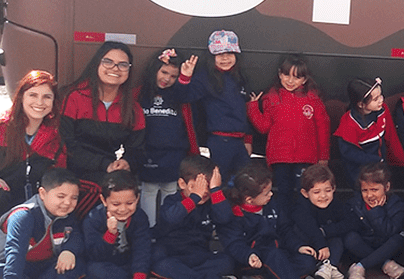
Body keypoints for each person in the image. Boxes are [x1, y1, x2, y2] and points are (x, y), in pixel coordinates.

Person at [0, 69, 63, 236]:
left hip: (18, 201)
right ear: (21, 97)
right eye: (33, 95)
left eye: (47, 97)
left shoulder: (54, 137)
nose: (40, 102)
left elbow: (59, 174)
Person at [59, 42, 146, 217]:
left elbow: (138, 150)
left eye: (122, 65)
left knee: (125, 195)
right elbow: (66, 144)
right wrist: (104, 164)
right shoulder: (75, 96)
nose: (115, 68)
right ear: (97, 63)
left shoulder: (132, 108)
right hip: (72, 167)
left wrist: (127, 162)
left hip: (108, 171)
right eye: (108, 62)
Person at [218, 162, 316, 279]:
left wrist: (298, 246)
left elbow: (285, 230)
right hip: (251, 260)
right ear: (249, 199)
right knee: (274, 256)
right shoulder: (235, 215)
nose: (271, 194)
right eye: (266, 193)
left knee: (307, 262)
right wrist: (249, 255)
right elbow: (234, 244)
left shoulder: (272, 205)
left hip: (277, 253)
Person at [247, 53, 331, 205]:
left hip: (306, 158)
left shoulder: (313, 99)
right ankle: (283, 220)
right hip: (280, 158)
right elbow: (263, 127)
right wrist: (253, 108)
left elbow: (323, 129)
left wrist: (323, 156)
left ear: (304, 79)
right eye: (286, 75)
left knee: (303, 194)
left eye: (297, 77)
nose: (290, 81)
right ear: (280, 74)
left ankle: (302, 220)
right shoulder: (272, 98)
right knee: (283, 194)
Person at [150, 154, 238, 279]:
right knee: (159, 264)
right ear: (182, 184)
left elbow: (225, 218)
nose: (203, 192)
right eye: (195, 187)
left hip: (198, 255)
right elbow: (171, 218)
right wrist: (194, 197)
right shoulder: (172, 200)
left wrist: (216, 191)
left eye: (208, 187)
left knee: (228, 262)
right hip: (172, 254)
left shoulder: (211, 203)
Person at [175, 30, 252, 181]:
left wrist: (248, 139)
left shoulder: (240, 77)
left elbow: (245, 111)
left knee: (244, 182)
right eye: (219, 54)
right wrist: (185, 77)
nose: (225, 58)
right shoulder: (205, 77)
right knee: (218, 182)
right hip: (219, 140)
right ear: (211, 56)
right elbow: (184, 97)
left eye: (229, 53)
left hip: (240, 141)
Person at [135, 49, 198, 227]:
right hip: (148, 152)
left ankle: (167, 229)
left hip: (174, 154)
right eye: (163, 72)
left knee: (171, 190)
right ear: (154, 69)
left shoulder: (178, 95)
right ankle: (149, 229)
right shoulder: (141, 94)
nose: (167, 79)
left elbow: (185, 93)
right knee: (148, 190)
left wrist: (185, 77)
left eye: (173, 76)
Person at [74, 170, 155, 279]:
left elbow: (142, 249)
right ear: (104, 200)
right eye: (116, 204)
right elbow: (94, 255)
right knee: (90, 268)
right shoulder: (93, 219)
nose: (123, 209)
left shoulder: (139, 217)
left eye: (129, 203)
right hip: (105, 263)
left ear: (137, 199)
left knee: (156, 255)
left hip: (129, 263)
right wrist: (110, 234)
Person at [287, 162, 357, 279]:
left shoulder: (336, 204)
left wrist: (326, 231)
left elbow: (351, 222)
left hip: (328, 247)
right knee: (306, 262)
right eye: (316, 192)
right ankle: (325, 267)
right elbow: (310, 228)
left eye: (328, 190)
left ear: (334, 189)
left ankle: (329, 266)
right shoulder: (300, 207)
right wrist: (321, 245)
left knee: (337, 239)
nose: (323, 196)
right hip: (307, 245)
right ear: (305, 193)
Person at [343, 162, 404, 279]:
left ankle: (359, 266)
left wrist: (376, 212)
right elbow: (352, 227)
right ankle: (385, 264)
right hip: (363, 246)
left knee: (398, 240)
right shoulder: (355, 204)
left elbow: (389, 232)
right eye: (364, 190)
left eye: (374, 190)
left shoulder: (396, 204)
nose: (369, 195)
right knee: (350, 238)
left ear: (387, 187)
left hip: (385, 245)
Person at [334, 77, 394, 186]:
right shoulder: (349, 124)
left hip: (380, 165)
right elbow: (349, 153)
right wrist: (374, 160)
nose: (381, 100)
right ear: (361, 104)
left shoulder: (381, 110)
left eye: (381, 95)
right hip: (360, 172)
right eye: (375, 99)